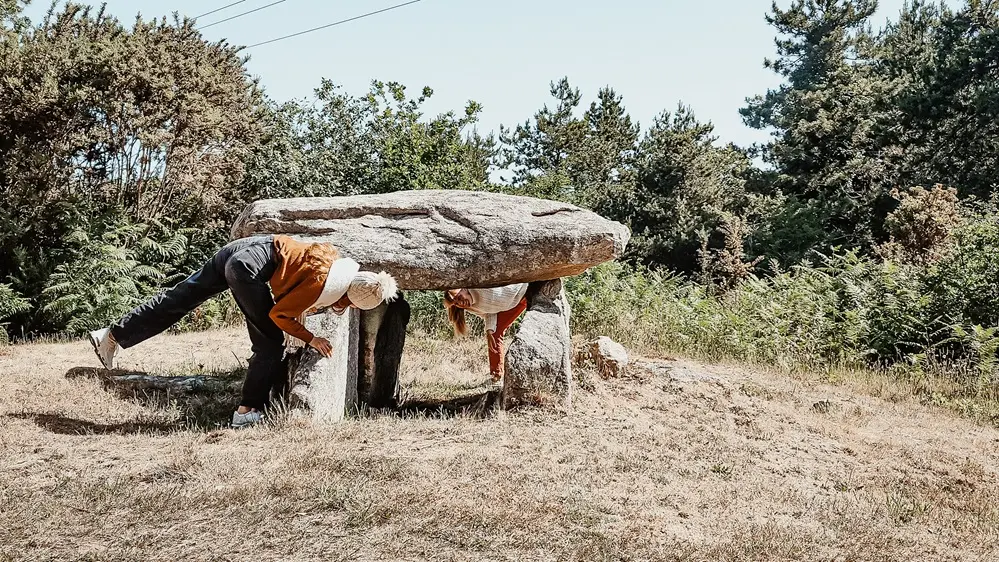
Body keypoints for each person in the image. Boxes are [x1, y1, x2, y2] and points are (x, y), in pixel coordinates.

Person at [87, 234, 398, 429]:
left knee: (180, 297)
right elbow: (280, 313)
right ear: (347, 294)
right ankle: (246, 411)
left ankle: (112, 335)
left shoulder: (331, 263)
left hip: (244, 248)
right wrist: (310, 338)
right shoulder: (321, 284)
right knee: (270, 343)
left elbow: (291, 290)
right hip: (247, 267)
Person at [443, 283, 528, 382]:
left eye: (459, 297)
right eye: (456, 303)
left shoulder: (482, 287)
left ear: (465, 288)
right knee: (493, 335)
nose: (460, 303)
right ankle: (496, 376)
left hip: (523, 292)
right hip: (512, 303)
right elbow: (490, 311)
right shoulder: (469, 305)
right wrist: (490, 330)